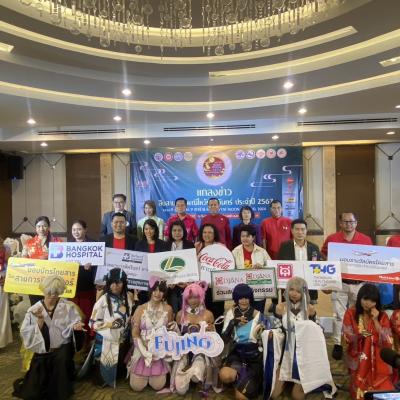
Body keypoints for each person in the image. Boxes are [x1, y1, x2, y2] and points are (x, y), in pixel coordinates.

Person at [13, 275, 85, 400]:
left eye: (56, 292)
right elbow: (26, 332)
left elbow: (75, 322)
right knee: (33, 394)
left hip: (61, 348)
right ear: (44, 291)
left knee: (62, 361)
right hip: (42, 351)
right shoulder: (34, 310)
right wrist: (40, 320)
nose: (53, 295)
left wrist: (76, 326)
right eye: (50, 292)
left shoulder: (67, 307)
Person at [270, 277, 335, 400]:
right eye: (291, 289)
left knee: (297, 396)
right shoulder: (280, 307)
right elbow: (276, 330)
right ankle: (289, 380)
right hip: (286, 352)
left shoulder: (309, 309)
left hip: (304, 354)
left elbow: (317, 331)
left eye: (298, 291)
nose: (294, 294)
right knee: (273, 394)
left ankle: (298, 381)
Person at [321, 212, 373, 360]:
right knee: (339, 315)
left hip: (359, 284)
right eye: (346, 221)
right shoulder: (332, 239)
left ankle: (359, 342)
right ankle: (338, 343)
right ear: (340, 223)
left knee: (359, 313)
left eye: (352, 221)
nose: (349, 224)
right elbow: (323, 254)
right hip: (340, 283)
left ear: (356, 223)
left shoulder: (366, 240)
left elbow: (372, 258)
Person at [343, 283, 394, 399]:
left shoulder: (382, 316)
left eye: (372, 301)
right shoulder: (351, 313)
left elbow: (388, 340)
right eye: (365, 299)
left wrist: (375, 320)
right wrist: (364, 335)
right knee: (359, 392)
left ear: (377, 302)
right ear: (359, 298)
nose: (368, 303)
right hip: (358, 356)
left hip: (378, 359)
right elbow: (347, 336)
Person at [171, 281, 220, 395]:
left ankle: (198, 375)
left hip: (201, 353)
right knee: (181, 390)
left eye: (196, 297)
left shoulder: (208, 314)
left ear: (201, 297)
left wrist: (211, 331)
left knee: (195, 376)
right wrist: (173, 329)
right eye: (190, 297)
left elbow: (214, 340)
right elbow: (177, 338)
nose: (193, 300)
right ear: (186, 298)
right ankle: (188, 372)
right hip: (184, 353)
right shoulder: (180, 314)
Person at [219, 284, 267, 400]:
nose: (244, 301)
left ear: (250, 298)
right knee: (224, 375)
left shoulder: (258, 314)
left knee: (240, 397)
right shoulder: (231, 313)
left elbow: (266, 336)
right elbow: (224, 339)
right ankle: (242, 380)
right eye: (240, 298)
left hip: (254, 357)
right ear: (236, 299)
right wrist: (233, 323)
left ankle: (246, 383)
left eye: (246, 298)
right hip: (237, 354)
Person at [89, 268, 134, 388]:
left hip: (121, 338)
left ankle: (117, 376)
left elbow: (129, 317)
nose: (115, 286)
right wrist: (109, 325)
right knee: (104, 364)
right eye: (112, 283)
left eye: (118, 283)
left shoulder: (128, 297)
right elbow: (92, 322)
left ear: (124, 283)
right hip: (105, 338)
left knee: (118, 362)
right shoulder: (103, 299)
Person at [128, 277, 173, 392]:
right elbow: (135, 333)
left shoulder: (168, 309)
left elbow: (169, 332)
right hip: (142, 348)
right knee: (136, 386)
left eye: (161, 290)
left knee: (158, 385)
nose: (157, 293)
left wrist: (174, 328)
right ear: (150, 291)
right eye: (155, 290)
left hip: (159, 349)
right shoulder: (140, 308)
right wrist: (144, 352)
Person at [278, 219, 321, 304]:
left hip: (309, 288)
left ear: (306, 230)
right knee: (290, 311)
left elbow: (317, 268)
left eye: (302, 229)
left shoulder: (314, 248)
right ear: (292, 231)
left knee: (309, 311)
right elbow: (280, 266)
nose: (300, 232)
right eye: (297, 229)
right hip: (291, 288)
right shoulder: (284, 247)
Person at [21, 216, 62, 305]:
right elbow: (23, 261)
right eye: (38, 226)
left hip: (52, 281)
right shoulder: (29, 243)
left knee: (52, 306)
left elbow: (62, 261)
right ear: (35, 228)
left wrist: (47, 258)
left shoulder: (57, 242)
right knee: (36, 307)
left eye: (44, 226)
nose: (41, 229)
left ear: (49, 227)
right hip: (33, 281)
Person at [232, 225, 271, 313]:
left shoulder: (262, 251)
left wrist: (262, 268)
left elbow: (271, 269)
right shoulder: (235, 252)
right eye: (242, 236)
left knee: (258, 315)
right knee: (242, 316)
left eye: (247, 236)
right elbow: (231, 270)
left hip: (259, 291)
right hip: (242, 292)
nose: (245, 238)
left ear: (253, 237)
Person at [195, 223, 225, 325]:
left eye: (210, 232)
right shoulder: (197, 246)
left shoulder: (221, 247)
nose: (207, 235)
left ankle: (218, 333)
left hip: (217, 286)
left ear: (214, 234)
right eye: (204, 232)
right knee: (203, 313)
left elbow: (227, 265)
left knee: (218, 313)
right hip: (201, 287)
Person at [70, 220, 97, 331]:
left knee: (88, 312)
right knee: (74, 314)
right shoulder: (68, 246)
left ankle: (89, 336)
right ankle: (75, 336)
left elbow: (99, 265)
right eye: (74, 230)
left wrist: (92, 266)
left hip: (88, 285)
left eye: (79, 229)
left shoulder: (94, 244)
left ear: (85, 230)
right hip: (73, 287)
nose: (76, 232)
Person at [165, 220, 195, 314]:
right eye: (174, 230)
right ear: (170, 232)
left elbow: (192, 265)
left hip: (185, 285)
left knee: (185, 312)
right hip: (171, 286)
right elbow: (162, 266)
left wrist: (187, 282)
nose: (177, 233)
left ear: (184, 231)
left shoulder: (190, 245)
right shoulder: (165, 245)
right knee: (173, 311)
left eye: (179, 230)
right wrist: (167, 282)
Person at [0, 237, 12, 349]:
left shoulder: (6, 248)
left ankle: (1, 341)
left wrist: (7, 277)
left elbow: (10, 266)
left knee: (1, 311)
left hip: (2, 280)